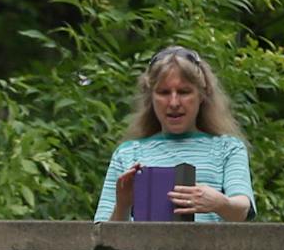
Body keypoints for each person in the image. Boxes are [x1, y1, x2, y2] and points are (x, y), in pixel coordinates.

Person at [95, 46, 256, 223]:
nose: (173, 102)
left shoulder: (228, 148)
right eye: (164, 92)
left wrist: (219, 203)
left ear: (202, 94)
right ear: (151, 97)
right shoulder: (127, 153)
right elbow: (101, 236)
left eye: (184, 92)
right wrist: (123, 205)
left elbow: (242, 210)